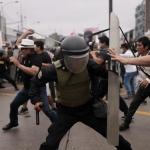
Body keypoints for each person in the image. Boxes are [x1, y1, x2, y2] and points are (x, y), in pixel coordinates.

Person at [29, 35, 132, 150]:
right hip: (65, 111)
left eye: (81, 59)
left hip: (88, 109)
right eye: (73, 60)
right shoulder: (53, 69)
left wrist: (115, 63)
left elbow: (106, 74)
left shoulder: (89, 65)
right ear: (65, 56)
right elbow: (35, 82)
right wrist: (36, 100)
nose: (78, 63)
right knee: (50, 144)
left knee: (115, 138)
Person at [109, 36, 150, 131]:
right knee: (133, 104)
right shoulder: (137, 55)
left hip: (148, 83)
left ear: (146, 47)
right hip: (144, 86)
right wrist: (116, 55)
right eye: (136, 45)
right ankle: (126, 123)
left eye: (139, 45)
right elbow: (127, 57)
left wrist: (148, 80)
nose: (137, 47)